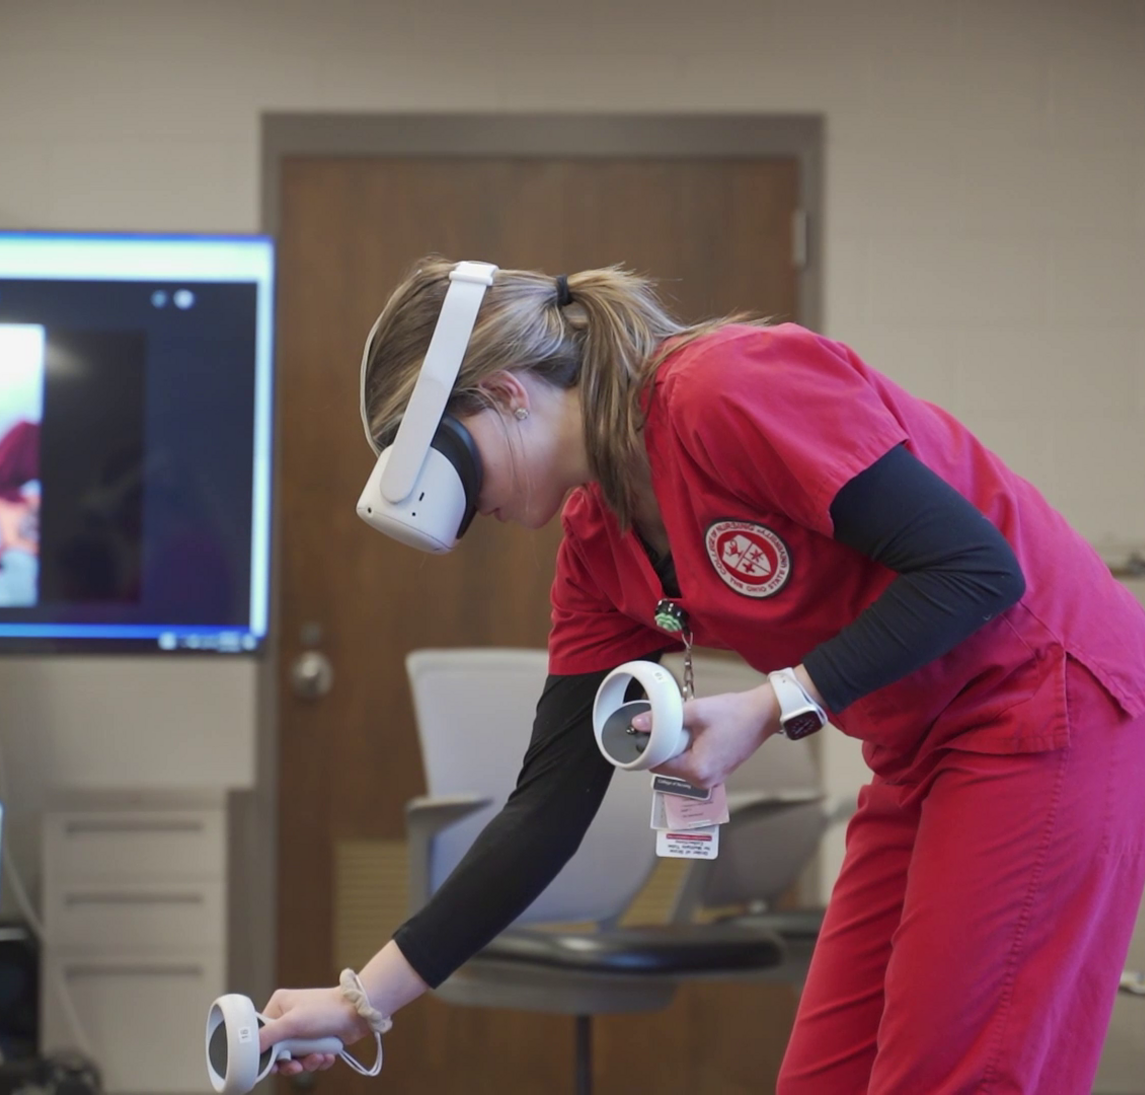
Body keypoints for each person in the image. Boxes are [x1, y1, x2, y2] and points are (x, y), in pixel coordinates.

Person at [258, 259, 1145, 1094]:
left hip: (1046, 703)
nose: (462, 510)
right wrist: (361, 1001)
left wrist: (774, 704)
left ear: (503, 392)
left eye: (453, 465)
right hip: (917, 748)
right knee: (824, 1075)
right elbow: (545, 810)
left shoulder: (722, 389)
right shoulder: (598, 551)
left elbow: (976, 570)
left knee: (950, 1073)